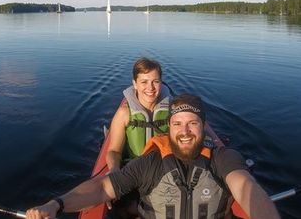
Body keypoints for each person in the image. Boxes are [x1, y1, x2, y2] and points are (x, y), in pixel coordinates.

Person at [26, 94, 280, 219]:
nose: (184, 132)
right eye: (178, 124)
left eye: (192, 123)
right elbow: (102, 188)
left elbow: (246, 187)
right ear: (168, 127)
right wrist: (56, 204)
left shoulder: (223, 158)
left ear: (204, 127)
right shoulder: (151, 162)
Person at [106, 57, 172, 172]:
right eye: (144, 82)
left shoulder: (172, 110)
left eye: (155, 82)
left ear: (160, 83)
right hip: (135, 171)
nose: (150, 88)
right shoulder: (124, 114)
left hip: (165, 169)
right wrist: (114, 169)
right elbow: (114, 151)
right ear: (135, 84)